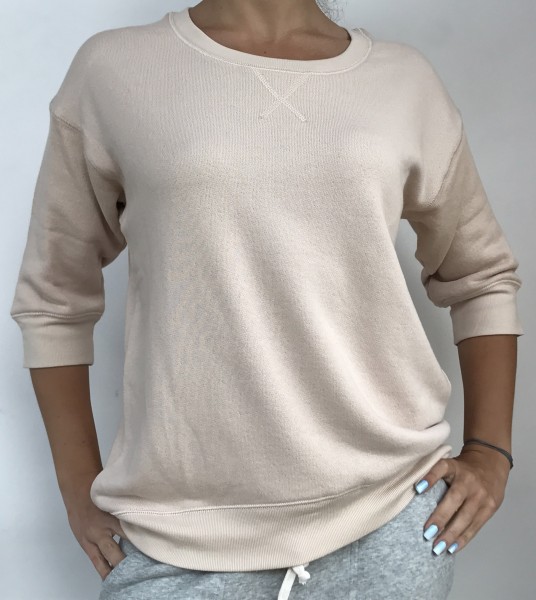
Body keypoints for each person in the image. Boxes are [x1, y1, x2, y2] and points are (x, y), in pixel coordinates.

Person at [10, 1, 522, 598]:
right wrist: (77, 490)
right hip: (175, 537)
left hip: (389, 520)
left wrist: (490, 452)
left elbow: (482, 275)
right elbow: (54, 297)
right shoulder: (115, 70)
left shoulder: (404, 81)